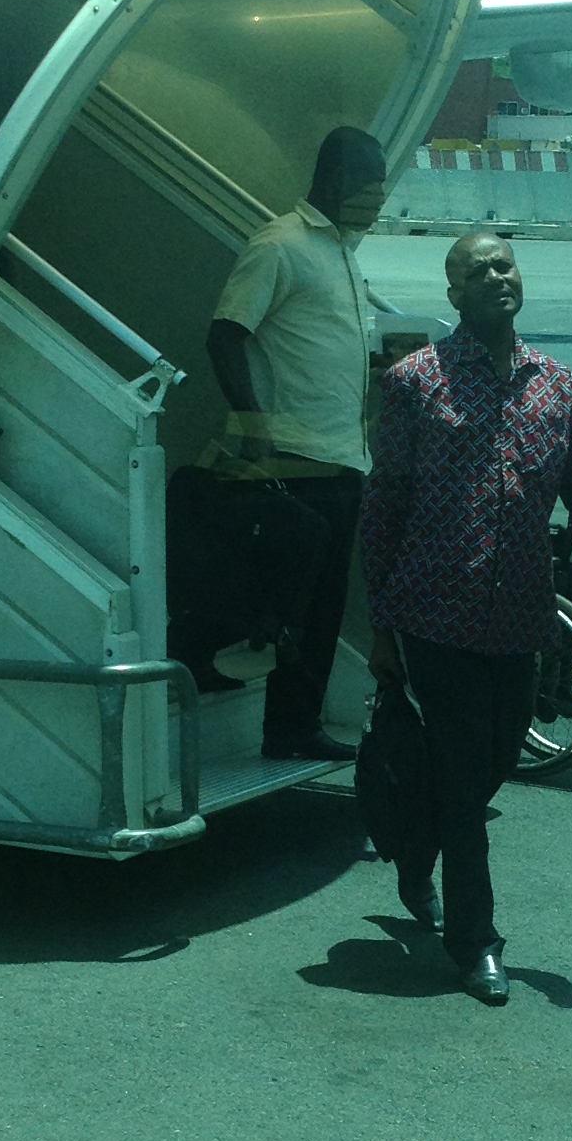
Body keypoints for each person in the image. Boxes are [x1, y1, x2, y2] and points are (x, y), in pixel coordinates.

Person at [360, 227, 572, 1004]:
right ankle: (476, 941)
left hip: (519, 620)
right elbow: (383, 509)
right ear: (454, 295)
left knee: (492, 767)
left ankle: (418, 856)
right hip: (433, 617)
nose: (494, 278)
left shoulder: (557, 386)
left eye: (503, 265)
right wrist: (380, 626)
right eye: (476, 272)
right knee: (459, 774)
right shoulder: (415, 382)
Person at [206, 126, 388, 762]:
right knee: (290, 598)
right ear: (336, 178)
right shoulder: (280, 245)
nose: (378, 199)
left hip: (342, 456)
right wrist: (252, 426)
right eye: (369, 185)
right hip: (294, 455)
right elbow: (225, 335)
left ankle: (296, 725)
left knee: (326, 602)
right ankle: (277, 719)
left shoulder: (341, 250)